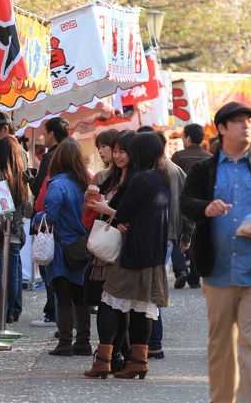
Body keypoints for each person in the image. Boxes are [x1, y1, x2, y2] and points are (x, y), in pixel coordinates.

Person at [181, 102, 251, 403]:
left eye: (249, 121)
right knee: (220, 346)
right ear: (221, 129)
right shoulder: (205, 169)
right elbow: (186, 202)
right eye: (238, 121)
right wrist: (205, 208)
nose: (246, 125)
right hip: (217, 272)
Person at [84, 132, 170, 379]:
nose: (124, 155)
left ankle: (104, 361)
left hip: (133, 252)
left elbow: (124, 211)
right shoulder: (161, 177)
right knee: (141, 306)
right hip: (152, 252)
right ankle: (138, 361)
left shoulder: (141, 179)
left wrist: (111, 212)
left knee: (110, 300)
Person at [33, 138, 91, 356]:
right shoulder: (84, 182)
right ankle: (83, 340)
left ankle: (65, 342)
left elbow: (51, 216)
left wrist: (36, 217)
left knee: (63, 295)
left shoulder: (57, 184)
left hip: (60, 247)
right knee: (80, 295)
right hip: (81, 245)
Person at [85, 130, 136, 371]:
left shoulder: (138, 179)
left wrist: (109, 211)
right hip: (107, 246)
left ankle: (111, 356)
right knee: (111, 302)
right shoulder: (109, 177)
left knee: (117, 303)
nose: (117, 155)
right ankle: (113, 355)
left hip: (125, 247)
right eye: (114, 150)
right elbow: (93, 204)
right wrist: (91, 195)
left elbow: (131, 213)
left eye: (121, 151)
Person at [147, 132, 194, 360]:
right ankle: (152, 342)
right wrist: (186, 235)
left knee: (152, 288)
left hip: (155, 235)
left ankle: (153, 341)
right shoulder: (176, 170)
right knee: (155, 285)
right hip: (171, 234)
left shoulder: (152, 171)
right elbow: (188, 207)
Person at [29, 118, 70, 328]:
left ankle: (53, 313)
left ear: (52, 134)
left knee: (50, 270)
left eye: (45, 132)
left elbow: (40, 191)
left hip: (49, 222)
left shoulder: (50, 158)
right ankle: (60, 315)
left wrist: (30, 180)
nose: (43, 136)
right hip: (68, 226)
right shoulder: (71, 158)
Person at [0, 136, 27, 324]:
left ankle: (1, 311)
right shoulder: (21, 174)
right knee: (13, 272)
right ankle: (11, 310)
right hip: (16, 230)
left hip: (1, 229)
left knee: (0, 272)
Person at [172, 124, 212, 290]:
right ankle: (195, 278)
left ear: (188, 137)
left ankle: (180, 269)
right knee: (197, 237)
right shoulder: (210, 157)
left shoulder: (179, 156)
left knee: (175, 236)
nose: (182, 139)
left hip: (182, 203)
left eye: (183, 136)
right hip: (204, 204)